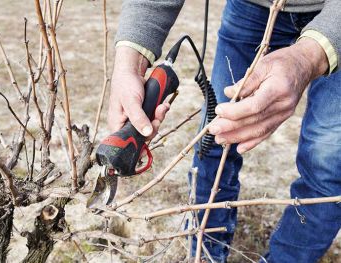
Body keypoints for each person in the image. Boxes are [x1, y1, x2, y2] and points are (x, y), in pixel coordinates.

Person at [107, 0, 341, 262]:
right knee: (215, 137)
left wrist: (311, 54)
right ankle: (205, 255)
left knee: (327, 169)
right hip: (252, 7)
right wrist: (129, 60)